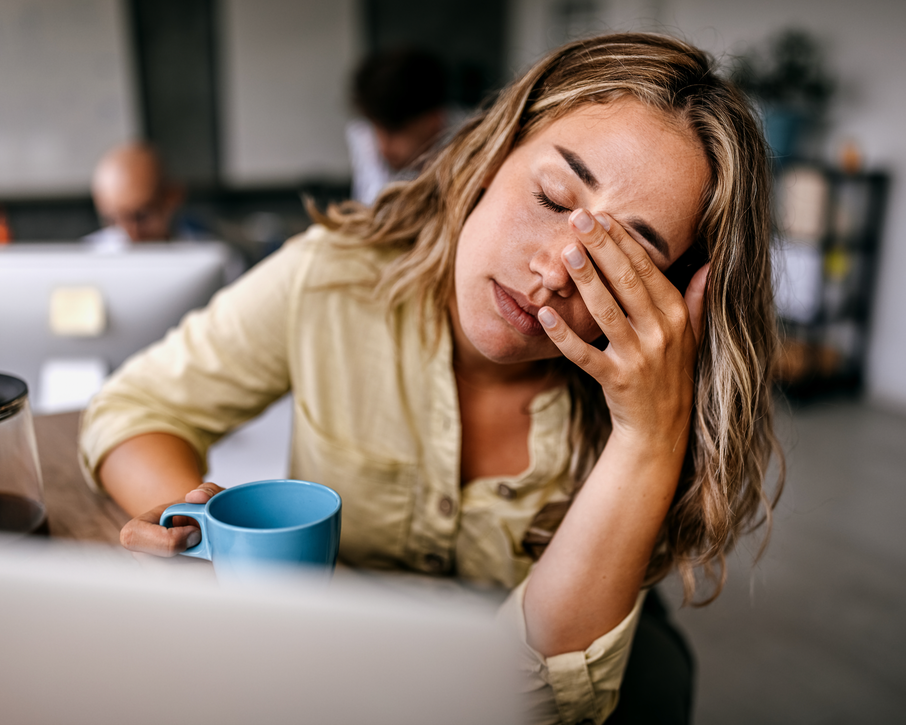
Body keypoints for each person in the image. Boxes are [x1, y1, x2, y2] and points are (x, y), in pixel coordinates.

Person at [79, 33, 782, 725]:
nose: (553, 272)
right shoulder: (332, 279)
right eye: (551, 197)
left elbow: (544, 699)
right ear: (491, 156)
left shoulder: (650, 402)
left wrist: (647, 436)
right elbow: (134, 408)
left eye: (623, 258)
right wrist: (206, 541)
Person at [346, 47, 459, 205]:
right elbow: (371, 207)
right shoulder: (364, 134)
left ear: (434, 120)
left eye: (394, 132)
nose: (383, 146)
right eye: (377, 128)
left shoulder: (470, 141)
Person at [85, 142, 194, 250]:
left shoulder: (197, 247)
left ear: (173, 197)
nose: (130, 235)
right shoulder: (88, 254)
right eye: (113, 220)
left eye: (140, 217)